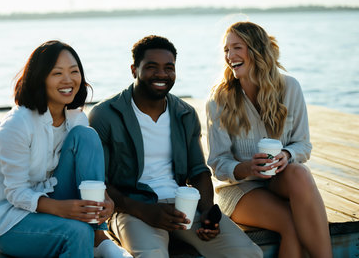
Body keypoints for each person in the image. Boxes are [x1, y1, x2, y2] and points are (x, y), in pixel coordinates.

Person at [88, 35, 262, 258]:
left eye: (169, 68)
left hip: (183, 206)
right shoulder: (105, 115)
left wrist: (208, 210)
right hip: (132, 209)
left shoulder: (185, 114)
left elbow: (198, 172)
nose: (162, 74)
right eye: (152, 67)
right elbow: (99, 183)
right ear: (134, 69)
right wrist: (144, 211)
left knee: (249, 254)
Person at [0, 40, 131, 258]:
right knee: (77, 232)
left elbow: (88, 172)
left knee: (86, 136)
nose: (68, 80)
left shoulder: (75, 118)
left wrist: (105, 199)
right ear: (39, 78)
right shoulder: (16, 125)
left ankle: (99, 238)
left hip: (52, 198)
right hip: (11, 220)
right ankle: (88, 240)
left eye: (74, 71)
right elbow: (16, 193)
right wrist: (63, 209)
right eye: (57, 73)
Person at [206, 21, 333, 258]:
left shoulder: (289, 87)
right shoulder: (219, 98)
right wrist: (246, 167)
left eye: (237, 48)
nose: (229, 56)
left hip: (279, 180)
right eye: (226, 50)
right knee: (292, 225)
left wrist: (286, 156)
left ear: (256, 50)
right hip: (239, 189)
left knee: (300, 173)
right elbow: (218, 163)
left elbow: (303, 145)